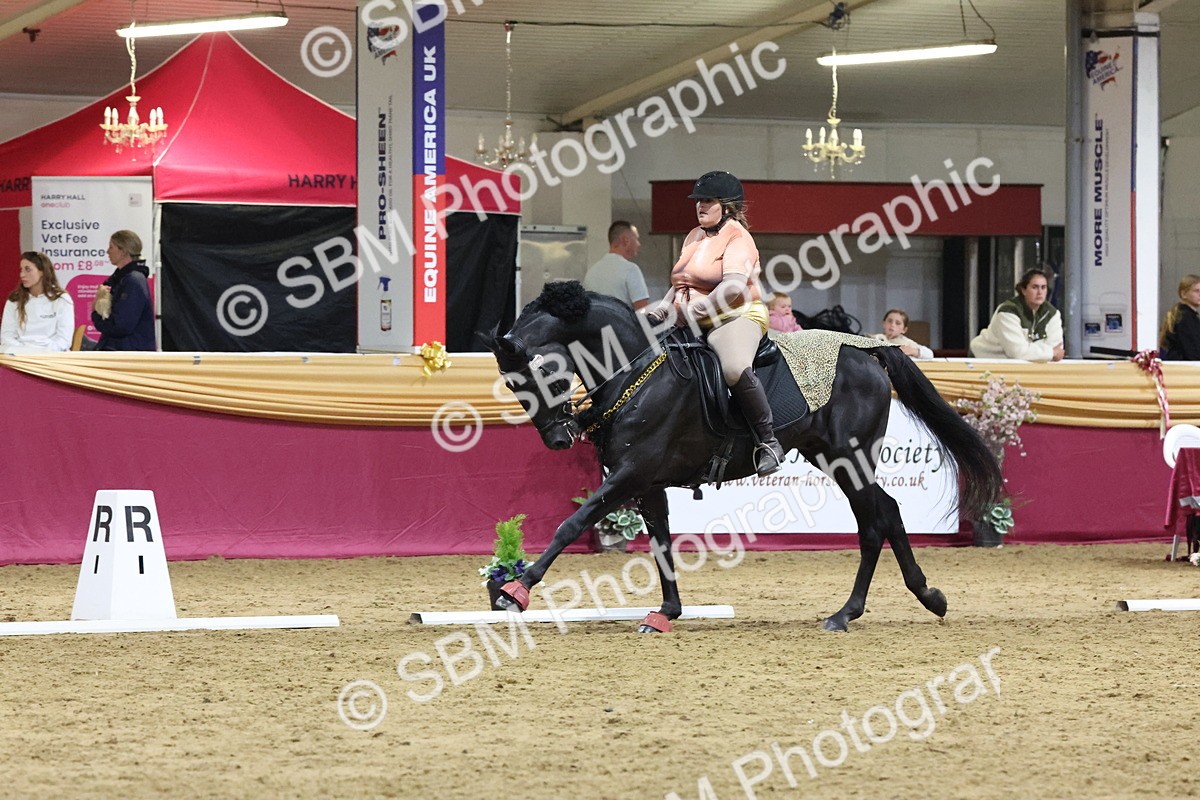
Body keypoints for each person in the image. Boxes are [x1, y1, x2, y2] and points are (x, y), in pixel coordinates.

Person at [645, 170, 784, 477]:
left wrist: (695, 311)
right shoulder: (694, 235)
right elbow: (681, 282)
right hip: (694, 316)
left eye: (708, 201)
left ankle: (768, 441)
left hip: (735, 315)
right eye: (698, 201)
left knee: (733, 367)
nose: (700, 206)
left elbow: (733, 287)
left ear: (727, 205)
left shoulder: (738, 237)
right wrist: (662, 309)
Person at [969, 268, 1064, 362]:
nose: (1040, 292)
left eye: (1043, 287)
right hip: (982, 359)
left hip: (1020, 363)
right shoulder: (1008, 311)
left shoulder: (1052, 313)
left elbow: (1057, 348)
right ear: (1023, 290)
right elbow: (1017, 352)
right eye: (1035, 287)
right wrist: (1050, 353)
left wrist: (1037, 353)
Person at [92, 229, 155, 351]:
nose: (107, 251)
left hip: (128, 354)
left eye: (111, 247)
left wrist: (96, 314)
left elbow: (121, 326)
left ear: (123, 251)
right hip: (122, 350)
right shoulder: (123, 280)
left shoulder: (133, 281)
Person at [0, 251, 74, 354]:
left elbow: (63, 341)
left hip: (51, 357)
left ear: (42, 271)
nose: (22, 275)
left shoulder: (61, 299)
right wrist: (26, 353)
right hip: (19, 357)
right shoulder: (14, 300)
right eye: (21, 270)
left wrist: (41, 353)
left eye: (28, 270)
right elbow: (6, 337)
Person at [582, 221, 650, 311]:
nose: (638, 244)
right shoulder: (630, 269)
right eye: (636, 239)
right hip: (622, 324)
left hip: (597, 325)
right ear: (626, 240)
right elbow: (643, 311)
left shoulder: (591, 272)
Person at [1159, 274, 1200, 360]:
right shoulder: (1185, 317)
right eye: (1196, 291)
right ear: (1184, 294)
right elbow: (1192, 350)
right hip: (1184, 368)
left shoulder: (1187, 315)